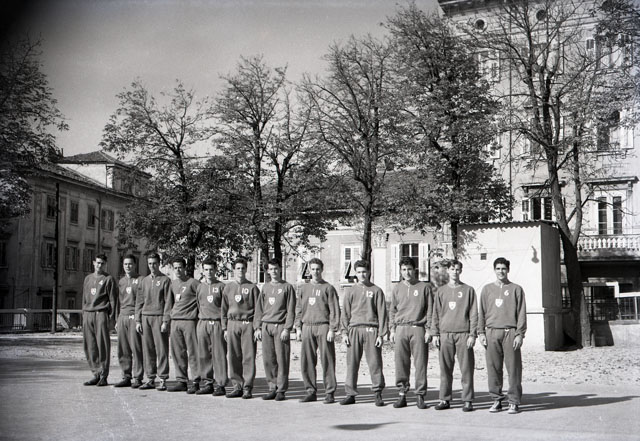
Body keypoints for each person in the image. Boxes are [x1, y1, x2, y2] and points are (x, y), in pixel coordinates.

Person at [478, 257, 527, 414]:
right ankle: (497, 399)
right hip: (491, 332)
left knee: (513, 368)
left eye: (503, 268)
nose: (501, 271)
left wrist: (519, 334)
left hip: (509, 332)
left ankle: (513, 401)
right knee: (493, 368)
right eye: (498, 268)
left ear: (508, 270)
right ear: (494, 270)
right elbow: (481, 312)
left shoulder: (516, 289)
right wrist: (481, 332)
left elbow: (521, 313)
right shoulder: (487, 289)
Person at [340, 260, 388, 406]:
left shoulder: (376, 290)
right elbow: (345, 313)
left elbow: (382, 313)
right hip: (354, 330)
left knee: (375, 363)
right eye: (359, 272)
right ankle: (350, 393)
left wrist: (381, 334)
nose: (362, 275)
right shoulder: (350, 291)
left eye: (364, 272)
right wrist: (344, 333)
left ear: (369, 272)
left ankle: (377, 393)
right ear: (355, 273)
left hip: (371, 329)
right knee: (352, 363)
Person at [432, 259, 478, 412]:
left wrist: (472, 334)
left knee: (466, 369)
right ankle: (444, 399)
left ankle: (467, 400)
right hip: (445, 334)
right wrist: (435, 333)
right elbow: (436, 313)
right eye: (452, 269)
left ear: (461, 271)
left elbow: (473, 313)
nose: (455, 272)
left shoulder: (468, 290)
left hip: (463, 334)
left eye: (457, 269)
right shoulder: (441, 291)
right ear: (448, 271)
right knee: (445, 369)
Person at [389, 257, 433, 409]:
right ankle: (402, 394)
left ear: (414, 270)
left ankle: (420, 395)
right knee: (401, 363)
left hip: (418, 328)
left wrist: (429, 329)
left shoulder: (424, 287)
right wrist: (392, 329)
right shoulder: (397, 288)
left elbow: (430, 309)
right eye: (403, 270)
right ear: (400, 271)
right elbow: (392, 310)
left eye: (409, 269)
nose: (407, 272)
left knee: (420, 363)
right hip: (401, 328)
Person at [295, 258, 340, 404]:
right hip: (307, 326)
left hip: (323, 326)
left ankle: (330, 392)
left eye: (318, 269)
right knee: (307, 360)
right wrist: (298, 327)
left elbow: (334, 309)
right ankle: (310, 391)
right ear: (309, 270)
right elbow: (299, 308)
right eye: (313, 269)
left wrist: (332, 329)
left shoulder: (328, 288)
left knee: (327, 360)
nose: (315, 272)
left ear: (322, 270)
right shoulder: (303, 288)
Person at [255, 259, 296, 401]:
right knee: (269, 359)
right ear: (268, 271)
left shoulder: (287, 287)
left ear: (280, 269)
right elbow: (259, 308)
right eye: (271, 269)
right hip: (266, 325)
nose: (274, 271)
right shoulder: (265, 287)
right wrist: (257, 327)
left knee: (282, 359)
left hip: (280, 326)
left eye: (276, 268)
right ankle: (272, 387)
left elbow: (291, 309)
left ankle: (281, 389)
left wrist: (287, 328)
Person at [221, 257, 260, 399]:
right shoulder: (228, 287)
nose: (240, 271)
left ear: (246, 269)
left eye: (243, 268)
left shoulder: (252, 287)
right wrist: (225, 328)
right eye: (238, 268)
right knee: (233, 356)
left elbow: (258, 310)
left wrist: (257, 328)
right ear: (234, 270)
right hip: (232, 324)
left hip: (247, 324)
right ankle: (237, 386)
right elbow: (223, 309)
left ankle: (247, 387)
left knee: (248, 356)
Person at [136, 252, 172, 391]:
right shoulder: (144, 281)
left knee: (161, 349)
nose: (152, 266)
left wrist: (165, 321)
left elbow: (168, 302)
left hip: (159, 317)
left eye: (155, 263)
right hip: (145, 317)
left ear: (159, 263)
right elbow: (139, 301)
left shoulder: (165, 280)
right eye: (150, 263)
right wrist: (138, 320)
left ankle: (163, 378)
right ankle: (150, 378)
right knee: (148, 348)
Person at [166, 257, 201, 393]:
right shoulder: (173, 284)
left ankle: (196, 380)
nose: (178, 270)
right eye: (175, 268)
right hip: (175, 321)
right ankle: (181, 380)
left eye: (180, 267)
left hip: (189, 321)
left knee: (193, 352)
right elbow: (169, 303)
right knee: (178, 352)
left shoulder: (194, 283)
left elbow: (201, 300)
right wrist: (167, 320)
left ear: (185, 268)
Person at [194, 258, 228, 396]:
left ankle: (221, 384)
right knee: (203, 354)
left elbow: (225, 308)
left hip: (217, 323)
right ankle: (207, 382)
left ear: (215, 270)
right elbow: (198, 304)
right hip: (203, 322)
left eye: (211, 269)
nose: (209, 272)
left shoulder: (222, 286)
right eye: (206, 270)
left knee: (219, 354)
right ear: (203, 270)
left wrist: (224, 327)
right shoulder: (200, 287)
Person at [82, 253, 117, 386]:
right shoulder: (87, 279)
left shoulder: (108, 279)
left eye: (102, 263)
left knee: (102, 344)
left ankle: (103, 375)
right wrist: (84, 314)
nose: (99, 265)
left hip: (101, 313)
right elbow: (84, 298)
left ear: (105, 264)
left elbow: (113, 300)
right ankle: (95, 373)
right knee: (89, 345)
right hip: (88, 314)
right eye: (98, 263)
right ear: (93, 263)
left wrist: (111, 318)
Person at [114, 254, 145, 388]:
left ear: (135, 265)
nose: (128, 266)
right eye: (125, 264)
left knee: (136, 348)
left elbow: (141, 301)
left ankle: (138, 377)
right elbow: (119, 302)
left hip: (134, 316)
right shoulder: (121, 281)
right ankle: (126, 376)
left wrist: (138, 319)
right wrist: (117, 319)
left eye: (130, 264)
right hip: (123, 316)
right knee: (123, 348)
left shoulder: (141, 280)